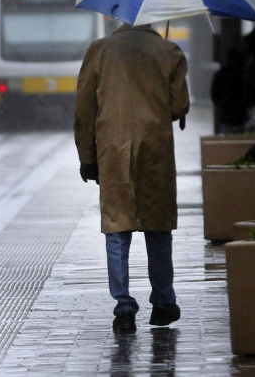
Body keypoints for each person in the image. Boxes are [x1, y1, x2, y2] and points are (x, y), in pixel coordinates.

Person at [74, 23, 190, 333]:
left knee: (117, 223)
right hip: (155, 147)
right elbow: (179, 106)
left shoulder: (99, 50)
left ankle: (124, 304)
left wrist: (87, 157)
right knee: (158, 224)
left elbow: (84, 110)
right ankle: (164, 301)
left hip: (113, 147)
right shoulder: (169, 51)